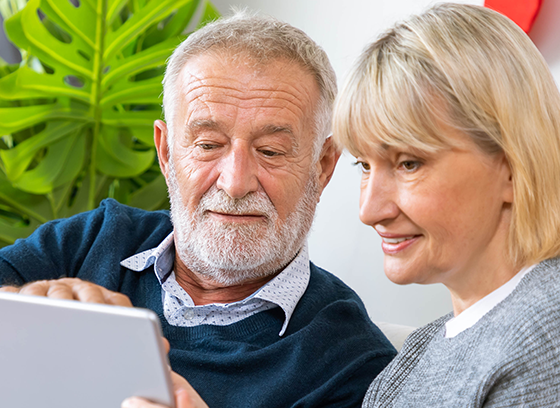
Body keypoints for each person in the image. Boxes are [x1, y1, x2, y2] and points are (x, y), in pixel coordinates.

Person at [0, 12, 396, 408]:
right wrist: (22, 306)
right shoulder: (93, 241)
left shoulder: (355, 367)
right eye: (208, 145)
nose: (235, 182)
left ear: (322, 166)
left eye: (271, 151)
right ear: (167, 151)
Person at [332, 3, 560, 407]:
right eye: (364, 165)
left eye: (408, 163)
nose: (370, 211)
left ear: (511, 168)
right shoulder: (419, 353)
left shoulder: (543, 339)